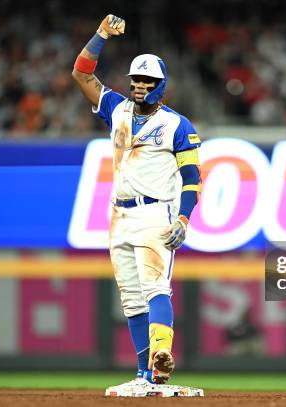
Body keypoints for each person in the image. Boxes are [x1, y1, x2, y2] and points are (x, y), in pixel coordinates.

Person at [71, 14, 202, 385]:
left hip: (155, 213)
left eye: (149, 80)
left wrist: (184, 218)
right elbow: (81, 74)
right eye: (137, 79)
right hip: (119, 215)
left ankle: (162, 353)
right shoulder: (117, 108)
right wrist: (99, 35)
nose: (141, 85)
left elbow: (192, 178)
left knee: (156, 288)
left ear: (161, 85)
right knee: (131, 299)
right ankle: (146, 375)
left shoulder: (178, 125)